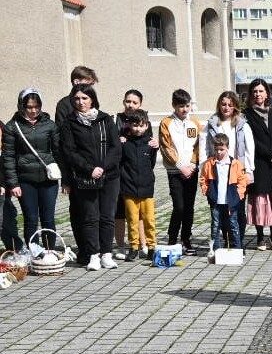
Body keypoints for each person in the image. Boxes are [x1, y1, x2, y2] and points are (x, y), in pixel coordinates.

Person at [58, 83, 122, 270]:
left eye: (84, 98)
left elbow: (115, 147)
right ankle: (93, 255)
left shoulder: (105, 119)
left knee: (107, 216)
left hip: (109, 176)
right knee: (90, 217)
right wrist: (89, 169)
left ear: (92, 99)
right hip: (85, 178)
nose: (81, 102)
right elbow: (69, 152)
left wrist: (102, 167)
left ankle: (106, 254)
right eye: (77, 99)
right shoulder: (70, 123)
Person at [2, 89, 60, 249]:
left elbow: (58, 151)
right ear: (21, 106)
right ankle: (34, 253)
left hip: (48, 180)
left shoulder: (49, 124)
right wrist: (13, 184)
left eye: (37, 106)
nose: (34, 110)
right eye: (29, 107)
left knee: (48, 218)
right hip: (25, 180)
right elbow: (8, 156)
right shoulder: (12, 127)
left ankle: (50, 252)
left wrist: (59, 170)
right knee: (31, 218)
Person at [204, 91, 254, 251]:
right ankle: (225, 244)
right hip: (217, 173)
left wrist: (249, 170)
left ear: (235, 107)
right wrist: (203, 169)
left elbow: (249, 148)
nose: (226, 107)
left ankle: (238, 244)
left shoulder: (241, 124)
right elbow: (204, 147)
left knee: (237, 210)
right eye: (223, 104)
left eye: (230, 105)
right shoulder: (212, 124)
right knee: (220, 212)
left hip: (236, 173)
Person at [158, 89, 203, 255]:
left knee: (189, 207)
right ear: (174, 106)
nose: (185, 109)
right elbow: (165, 147)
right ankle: (172, 238)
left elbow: (199, 146)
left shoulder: (195, 124)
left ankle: (186, 239)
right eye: (180, 106)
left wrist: (192, 164)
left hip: (191, 171)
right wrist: (180, 165)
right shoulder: (166, 123)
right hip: (175, 172)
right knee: (179, 207)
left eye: (187, 105)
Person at [243, 78, 272, 251]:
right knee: (260, 199)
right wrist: (270, 155)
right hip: (259, 162)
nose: (258, 94)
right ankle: (260, 237)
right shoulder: (247, 114)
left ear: (267, 93)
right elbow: (251, 140)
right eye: (255, 91)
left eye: (261, 91)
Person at [200, 133, 249, 262]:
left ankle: (238, 250)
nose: (219, 152)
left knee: (234, 226)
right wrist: (207, 192)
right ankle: (216, 251)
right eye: (216, 149)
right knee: (215, 226)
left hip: (231, 201)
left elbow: (242, 181)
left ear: (227, 148)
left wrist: (238, 195)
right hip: (216, 201)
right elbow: (203, 179)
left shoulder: (236, 164)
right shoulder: (209, 164)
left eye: (222, 149)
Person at [118, 109, 158, 260]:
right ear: (129, 125)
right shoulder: (125, 143)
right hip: (128, 188)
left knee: (149, 219)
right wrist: (119, 142)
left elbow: (152, 164)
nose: (138, 129)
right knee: (132, 220)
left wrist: (156, 146)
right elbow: (120, 163)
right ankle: (133, 247)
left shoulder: (150, 144)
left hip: (147, 188)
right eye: (135, 125)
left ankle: (151, 246)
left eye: (141, 125)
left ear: (146, 126)